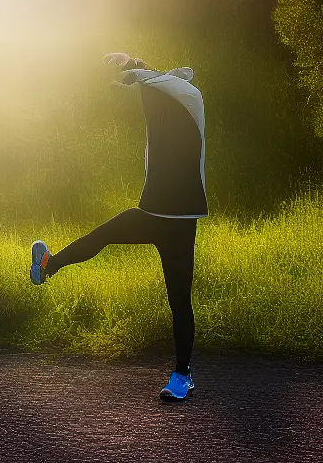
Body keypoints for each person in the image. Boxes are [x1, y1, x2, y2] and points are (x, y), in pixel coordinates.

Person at [29, 53, 207, 401]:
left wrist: (138, 71)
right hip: (152, 213)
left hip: (182, 222)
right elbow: (152, 79)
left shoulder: (192, 102)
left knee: (179, 302)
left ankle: (182, 375)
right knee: (104, 235)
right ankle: (49, 265)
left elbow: (162, 80)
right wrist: (131, 64)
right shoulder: (159, 106)